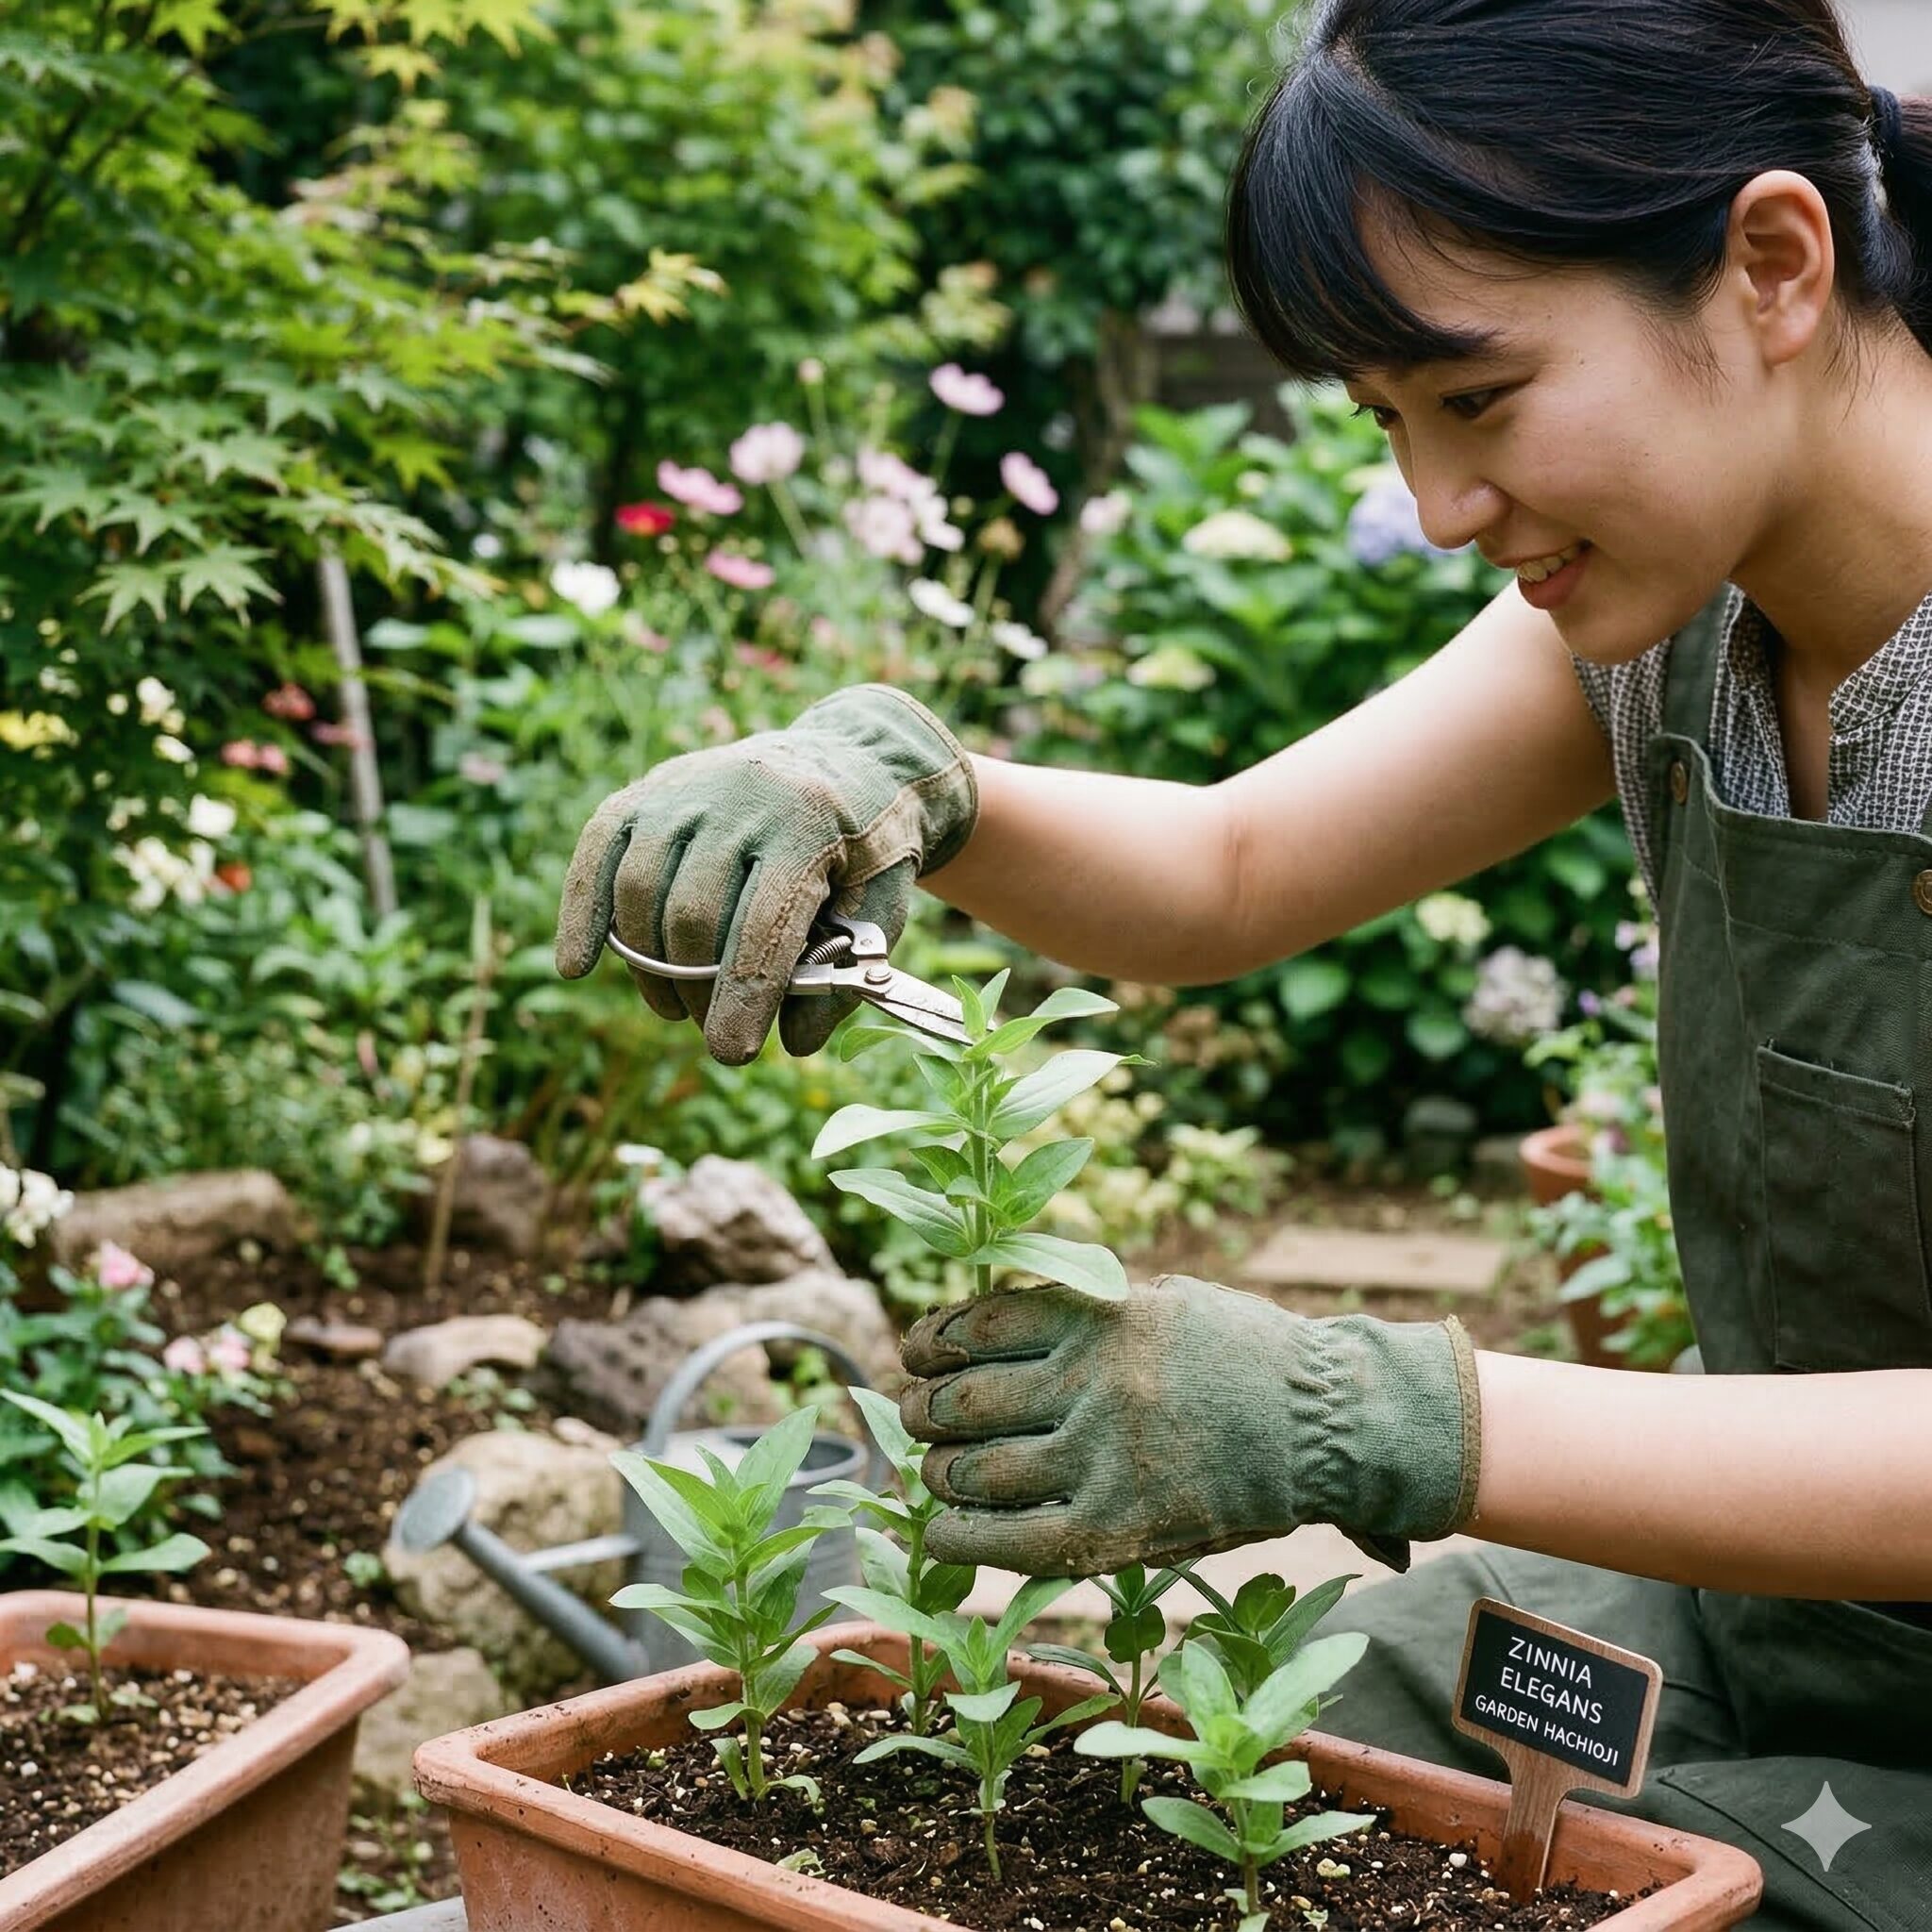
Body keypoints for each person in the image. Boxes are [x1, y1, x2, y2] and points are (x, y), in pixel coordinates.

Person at [555, 2, 1932, 1920]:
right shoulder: (1673, 625)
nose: (1443, 508)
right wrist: (905, 781)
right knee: (1244, 1780)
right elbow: (1232, 866)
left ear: (1770, 266)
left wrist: (1369, 1411)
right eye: (1389, 425)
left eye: (1476, 397)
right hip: (1767, 1623)